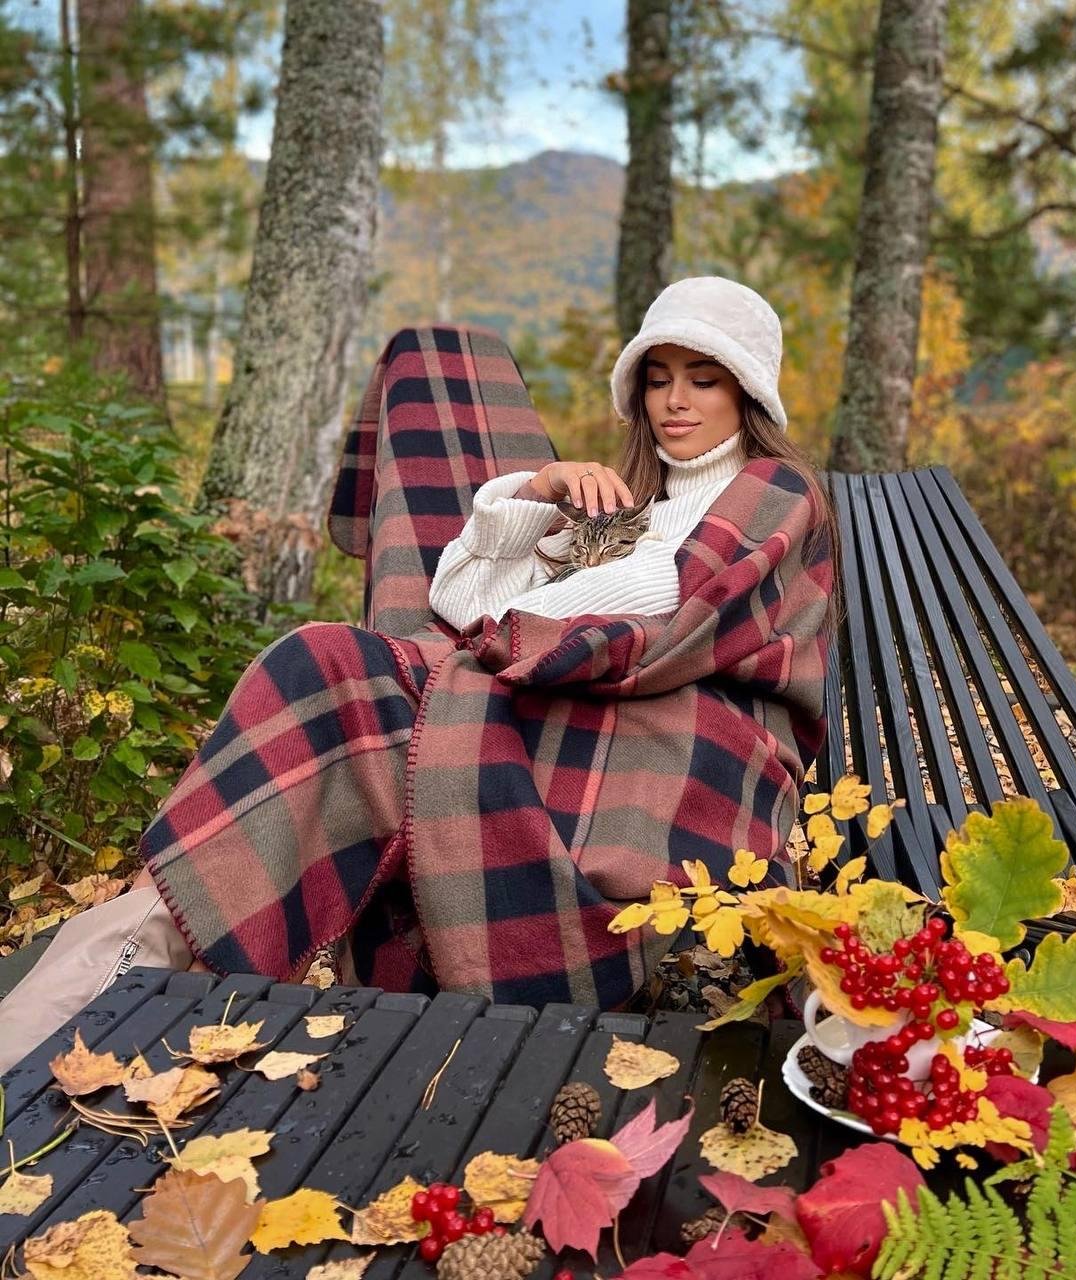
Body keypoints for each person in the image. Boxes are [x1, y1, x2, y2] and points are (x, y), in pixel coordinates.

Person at [0, 276, 835, 1073]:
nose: (676, 401)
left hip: (677, 750)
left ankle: (107, 983)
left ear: (748, 394)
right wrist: (533, 493)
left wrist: (527, 611)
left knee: (343, 685)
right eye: (658, 379)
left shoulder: (775, 489)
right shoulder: (632, 510)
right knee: (320, 664)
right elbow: (460, 591)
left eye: (704, 379)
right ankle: (116, 970)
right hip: (547, 712)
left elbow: (670, 607)